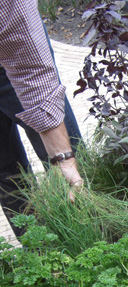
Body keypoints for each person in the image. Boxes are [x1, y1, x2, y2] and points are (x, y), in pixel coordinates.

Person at [0, 0, 84, 236]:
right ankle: (39, 251)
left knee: (69, 166)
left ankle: (84, 238)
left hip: (16, 51)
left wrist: (63, 158)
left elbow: (29, 64)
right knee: (6, 172)